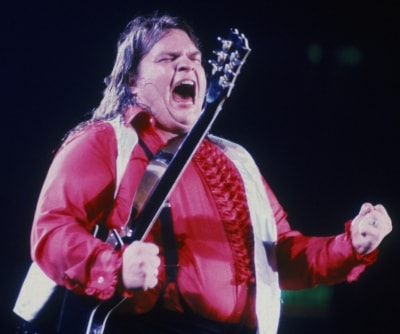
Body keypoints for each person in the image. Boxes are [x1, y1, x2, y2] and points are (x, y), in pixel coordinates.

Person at [14, 12, 392, 334]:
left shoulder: (237, 160)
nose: (187, 65)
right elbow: (52, 232)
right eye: (167, 58)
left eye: (195, 58)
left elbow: (284, 257)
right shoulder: (105, 140)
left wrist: (351, 245)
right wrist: (112, 267)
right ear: (131, 80)